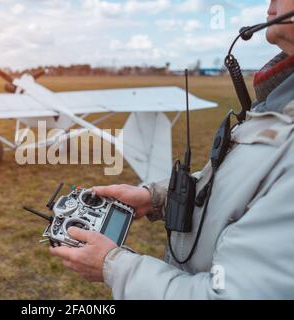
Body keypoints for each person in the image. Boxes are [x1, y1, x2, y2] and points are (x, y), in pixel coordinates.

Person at [49, 0, 294, 299]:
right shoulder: (280, 98)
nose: (271, 2)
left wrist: (113, 267)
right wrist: (157, 198)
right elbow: (241, 194)